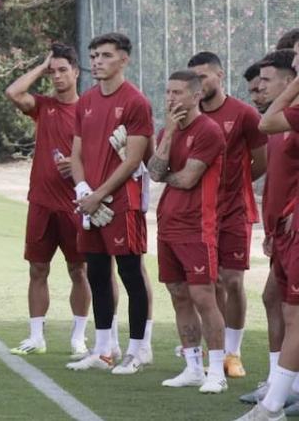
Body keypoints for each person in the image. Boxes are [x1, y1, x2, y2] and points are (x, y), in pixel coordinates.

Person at [67, 32, 155, 375]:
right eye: (94, 56)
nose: (97, 62)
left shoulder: (135, 101)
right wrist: (83, 189)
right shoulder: (86, 101)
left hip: (121, 203)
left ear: (124, 59)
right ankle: (103, 349)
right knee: (97, 273)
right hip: (90, 202)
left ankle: (138, 350)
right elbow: (76, 154)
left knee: (131, 274)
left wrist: (99, 195)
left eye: (105, 55)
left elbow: (133, 159)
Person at [3, 43, 91, 358]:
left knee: (78, 271)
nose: (57, 76)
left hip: (74, 205)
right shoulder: (43, 106)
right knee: (37, 269)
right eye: (52, 72)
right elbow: (13, 92)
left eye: (63, 70)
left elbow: (102, 156)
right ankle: (36, 336)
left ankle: (79, 337)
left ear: (76, 72)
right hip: (41, 203)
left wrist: (78, 165)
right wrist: (41, 66)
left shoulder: (87, 111)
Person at [147, 70, 228, 394]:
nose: (171, 98)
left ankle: (217, 371)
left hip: (196, 226)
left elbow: (187, 179)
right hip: (167, 225)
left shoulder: (208, 130)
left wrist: (168, 173)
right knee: (178, 294)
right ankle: (193, 368)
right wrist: (168, 135)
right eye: (168, 92)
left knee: (203, 296)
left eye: (178, 92)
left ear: (196, 96)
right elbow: (155, 172)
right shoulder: (168, 130)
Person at [189, 51, 266, 378]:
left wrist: (236, 184)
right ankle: (216, 348)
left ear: (220, 76)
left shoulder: (244, 114)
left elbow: (261, 161)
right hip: (199, 213)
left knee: (232, 280)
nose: (199, 83)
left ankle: (233, 352)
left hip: (235, 211)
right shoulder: (189, 116)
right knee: (209, 282)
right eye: (193, 78)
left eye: (204, 76)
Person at [242, 51, 299, 420]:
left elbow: (266, 122)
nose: (259, 86)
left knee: (294, 312)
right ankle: (280, 391)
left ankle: (274, 403)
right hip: (283, 229)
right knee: (287, 309)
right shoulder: (287, 117)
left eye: (266, 79)